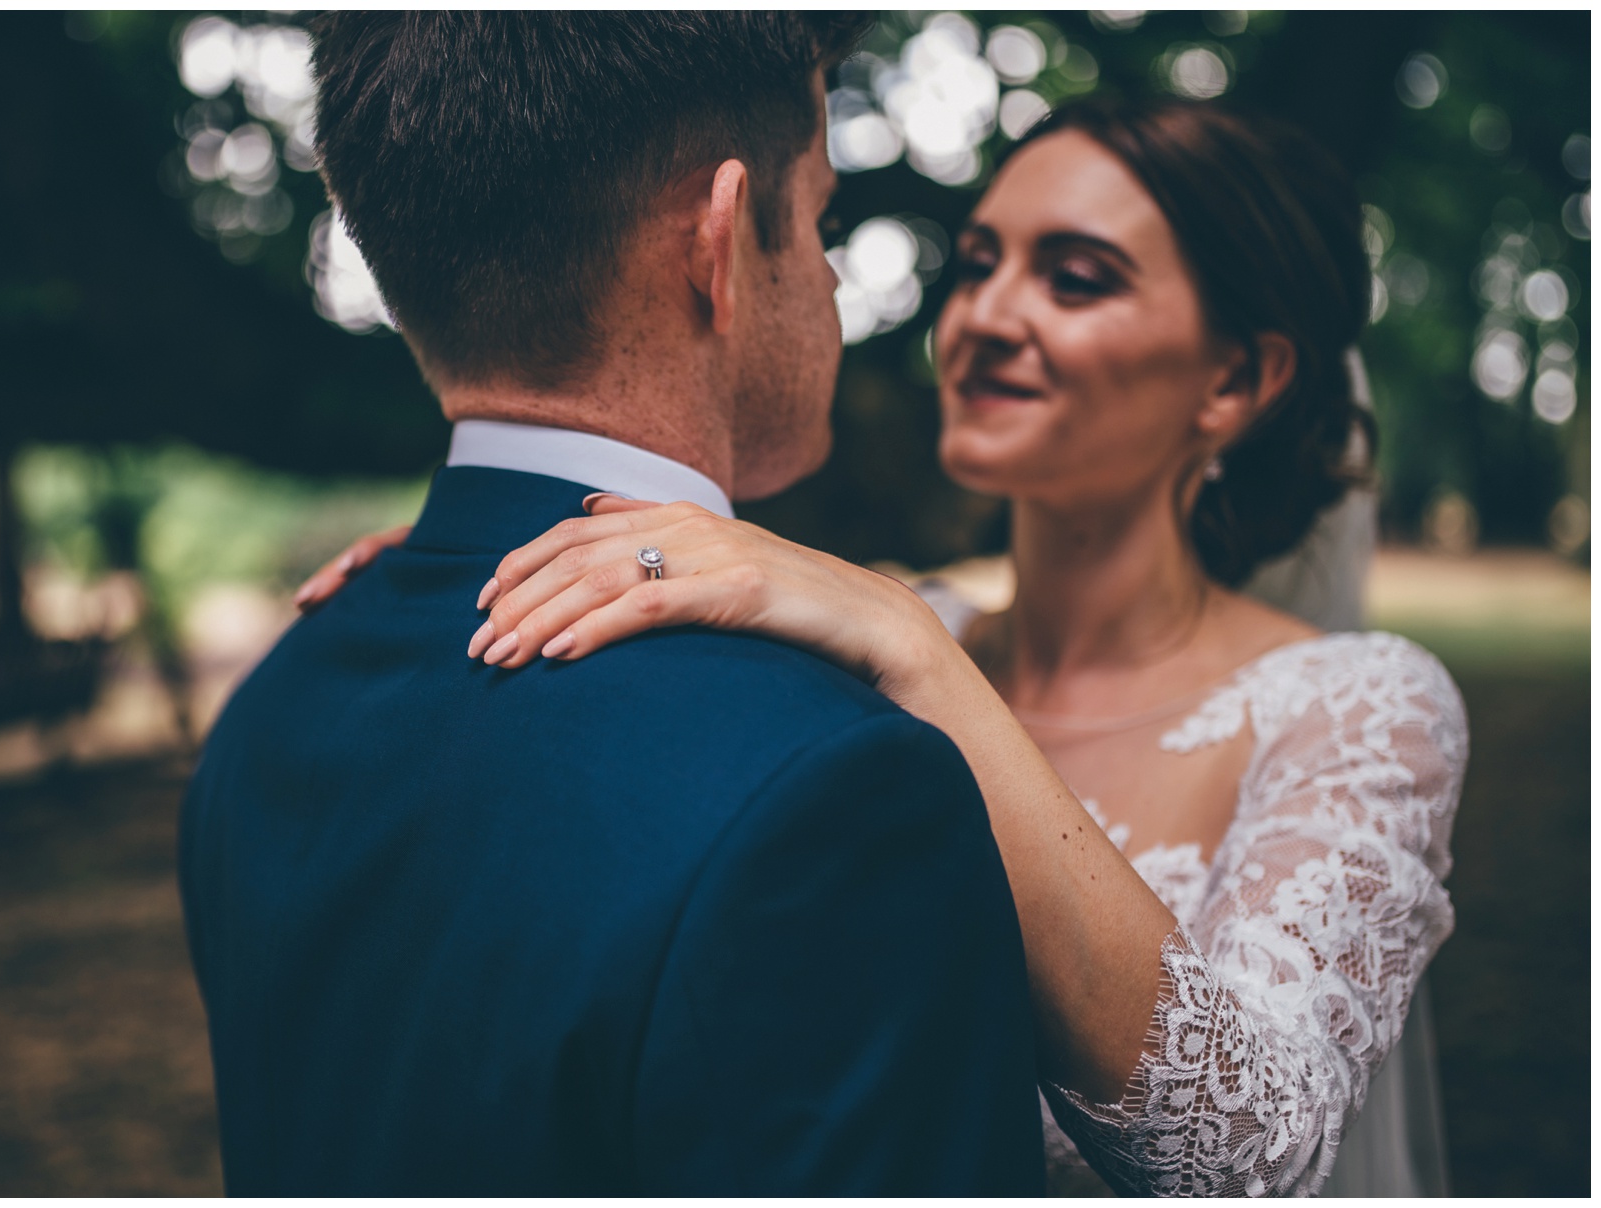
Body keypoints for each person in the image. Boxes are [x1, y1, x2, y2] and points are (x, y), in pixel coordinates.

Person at [305, 96, 1468, 1196]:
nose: (983, 317)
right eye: (976, 264)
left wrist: (913, 643)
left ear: (1236, 380)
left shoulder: (1360, 704)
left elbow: (1251, 1152)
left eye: (1074, 278)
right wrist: (473, 559)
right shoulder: (865, 632)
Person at [180, 13, 1045, 1196]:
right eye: (827, 220)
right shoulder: (837, 788)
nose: (836, 274)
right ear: (722, 236)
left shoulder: (273, 707)